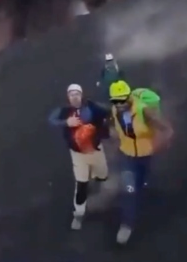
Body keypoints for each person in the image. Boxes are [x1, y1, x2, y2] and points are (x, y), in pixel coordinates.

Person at [107, 80, 174, 244]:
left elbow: (167, 129)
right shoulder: (115, 110)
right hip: (127, 156)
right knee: (129, 190)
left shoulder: (144, 111)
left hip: (145, 155)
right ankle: (127, 225)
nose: (120, 104)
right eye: (116, 100)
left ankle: (141, 191)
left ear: (129, 96)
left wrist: (161, 143)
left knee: (142, 181)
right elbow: (115, 128)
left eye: (123, 99)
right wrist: (114, 141)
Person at [47, 83, 111, 230]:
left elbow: (108, 112)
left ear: (81, 95)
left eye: (77, 94)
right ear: (68, 97)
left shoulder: (92, 107)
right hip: (78, 155)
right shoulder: (63, 112)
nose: (74, 97)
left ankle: (99, 187)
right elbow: (51, 120)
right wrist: (66, 122)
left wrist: (105, 127)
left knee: (102, 175)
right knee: (81, 184)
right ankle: (79, 215)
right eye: (71, 95)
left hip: (95, 151)